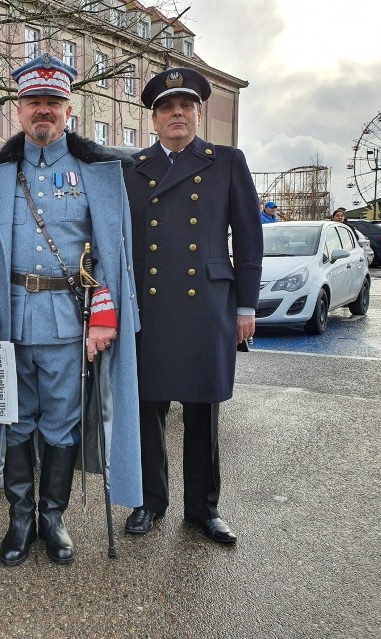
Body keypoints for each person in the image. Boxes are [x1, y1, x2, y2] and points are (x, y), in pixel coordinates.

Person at [0, 53, 143, 566]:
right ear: (17, 110)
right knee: (16, 423)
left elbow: (115, 255)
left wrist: (106, 319)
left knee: (62, 424)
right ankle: (19, 521)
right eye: (33, 102)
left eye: (52, 102)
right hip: (11, 319)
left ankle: (53, 519)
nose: (42, 111)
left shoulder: (97, 173)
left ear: (69, 109)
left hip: (71, 321)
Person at [122, 67, 263, 544]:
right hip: (150, 307)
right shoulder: (134, 168)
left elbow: (248, 237)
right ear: (154, 120)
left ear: (197, 113)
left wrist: (247, 306)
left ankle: (204, 509)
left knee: (203, 411)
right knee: (148, 409)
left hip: (207, 306)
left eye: (185, 106)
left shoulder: (226, 161)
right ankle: (149, 502)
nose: (176, 114)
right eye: (166, 107)